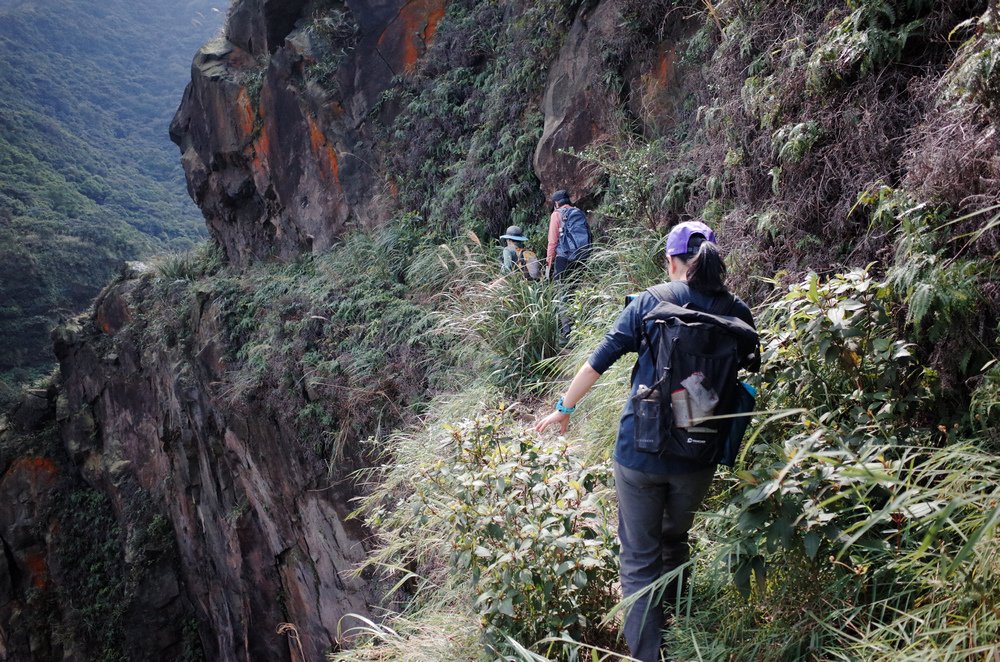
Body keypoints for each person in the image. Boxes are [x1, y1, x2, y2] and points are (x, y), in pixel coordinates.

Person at [534, 220, 759, 662]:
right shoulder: (738, 312)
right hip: (699, 456)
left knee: (639, 561)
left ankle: (649, 655)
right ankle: (679, 634)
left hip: (640, 452)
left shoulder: (651, 302)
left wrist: (563, 410)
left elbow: (600, 359)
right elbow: (744, 376)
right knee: (674, 542)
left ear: (672, 261)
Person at [545, 190, 592, 338]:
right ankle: (581, 324)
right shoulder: (578, 212)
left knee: (562, 292)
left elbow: (553, 242)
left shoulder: (557, 214)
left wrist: (549, 262)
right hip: (580, 257)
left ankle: (567, 330)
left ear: (557, 203)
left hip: (563, 259)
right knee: (576, 290)